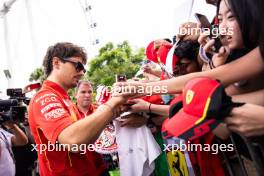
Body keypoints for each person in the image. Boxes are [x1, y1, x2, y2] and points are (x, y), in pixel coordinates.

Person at [28, 42, 126, 176]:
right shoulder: (45, 97)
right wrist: (111, 105)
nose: (82, 73)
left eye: (83, 69)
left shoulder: (63, 98)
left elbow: (86, 140)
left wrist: (113, 112)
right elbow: (73, 140)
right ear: (56, 63)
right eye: (78, 66)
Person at [74, 80, 109, 176]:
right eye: (83, 92)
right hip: (80, 169)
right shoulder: (69, 114)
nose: (87, 95)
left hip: (101, 166)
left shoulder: (100, 110)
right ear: (75, 94)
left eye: (90, 92)